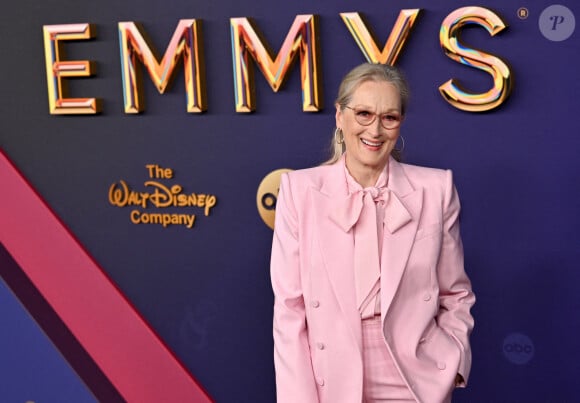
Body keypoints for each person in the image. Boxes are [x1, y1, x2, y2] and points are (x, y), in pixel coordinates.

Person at [270, 63, 475, 403]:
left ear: (400, 123)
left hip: (413, 376)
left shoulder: (435, 189)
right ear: (339, 116)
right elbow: (290, 310)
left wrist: (452, 360)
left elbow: (455, 293)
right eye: (363, 113)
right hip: (330, 375)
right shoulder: (299, 190)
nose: (375, 130)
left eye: (389, 118)